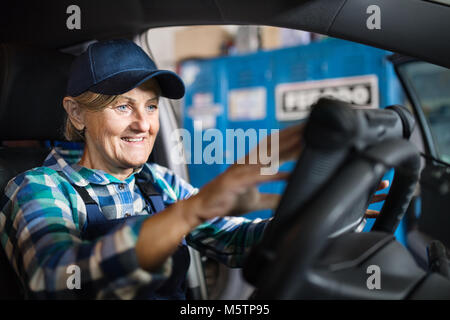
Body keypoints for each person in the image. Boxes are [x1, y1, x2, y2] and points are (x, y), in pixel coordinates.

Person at [0, 39, 386, 300]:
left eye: (150, 107)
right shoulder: (37, 188)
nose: (144, 124)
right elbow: (52, 279)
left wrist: (322, 211)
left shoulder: (158, 183)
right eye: (123, 107)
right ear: (77, 113)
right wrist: (191, 211)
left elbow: (234, 243)